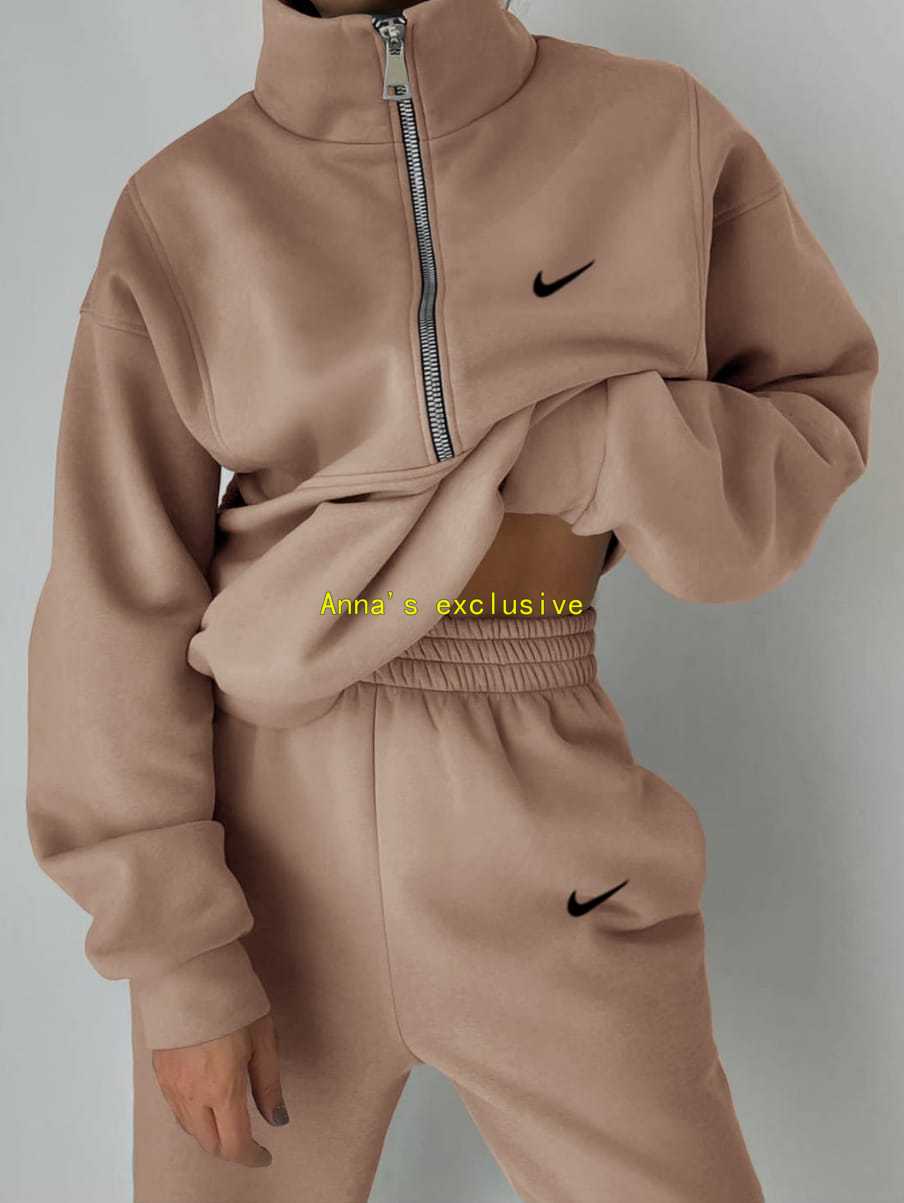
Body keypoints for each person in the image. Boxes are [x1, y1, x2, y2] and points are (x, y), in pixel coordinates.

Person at [25, 0, 878, 1199]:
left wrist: (597, 443)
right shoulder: (187, 205)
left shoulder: (657, 134)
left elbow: (814, 420)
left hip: (547, 803)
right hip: (268, 843)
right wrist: (177, 961)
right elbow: (114, 597)